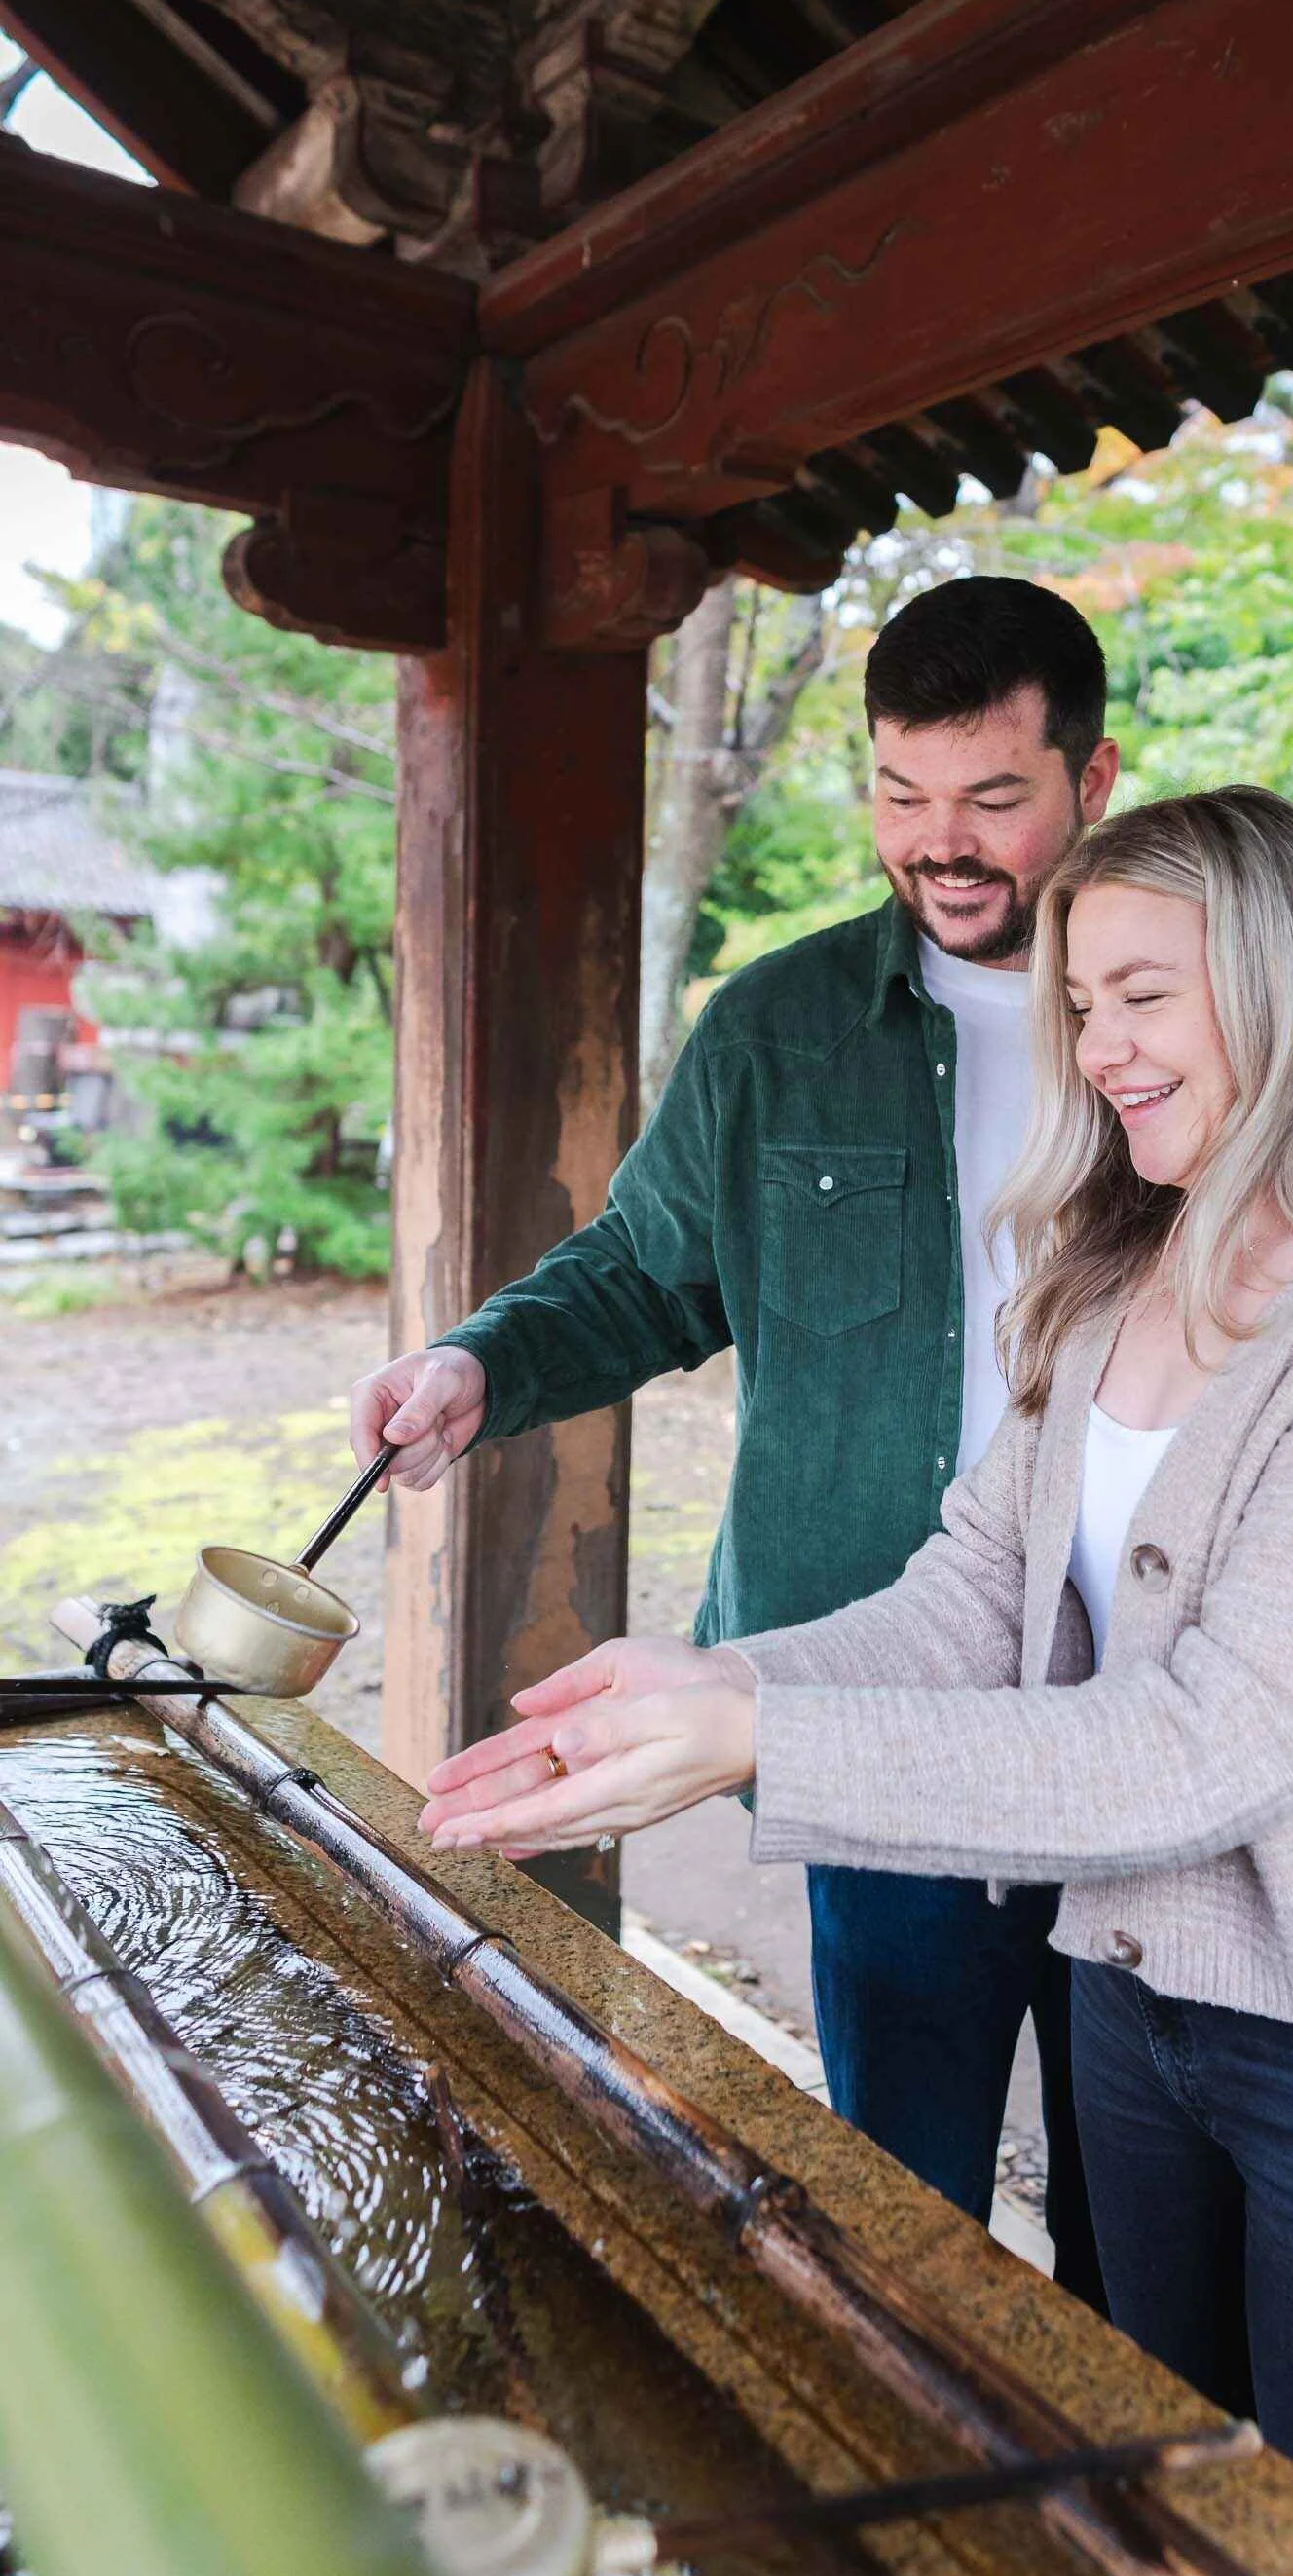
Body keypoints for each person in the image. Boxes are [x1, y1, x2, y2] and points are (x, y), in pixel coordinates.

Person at [421, 786, 1293, 2576]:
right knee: (1167, 2542)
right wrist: (718, 1676)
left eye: (1144, 994)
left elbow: (1211, 1744)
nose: (1099, 1048)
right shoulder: (1110, 1268)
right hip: (1143, 2026)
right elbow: (972, 1599)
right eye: (1079, 1005)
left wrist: (762, 1743)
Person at [351, 574, 1121, 2301]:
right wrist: (482, 1365)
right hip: (865, 1687)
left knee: (1132, 2222)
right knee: (898, 2201)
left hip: (1133, 1702)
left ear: (1093, 777)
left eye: (995, 800)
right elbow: (641, 1272)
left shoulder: (1168, 1016)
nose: (944, 847)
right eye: (902, 797)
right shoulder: (778, 1030)